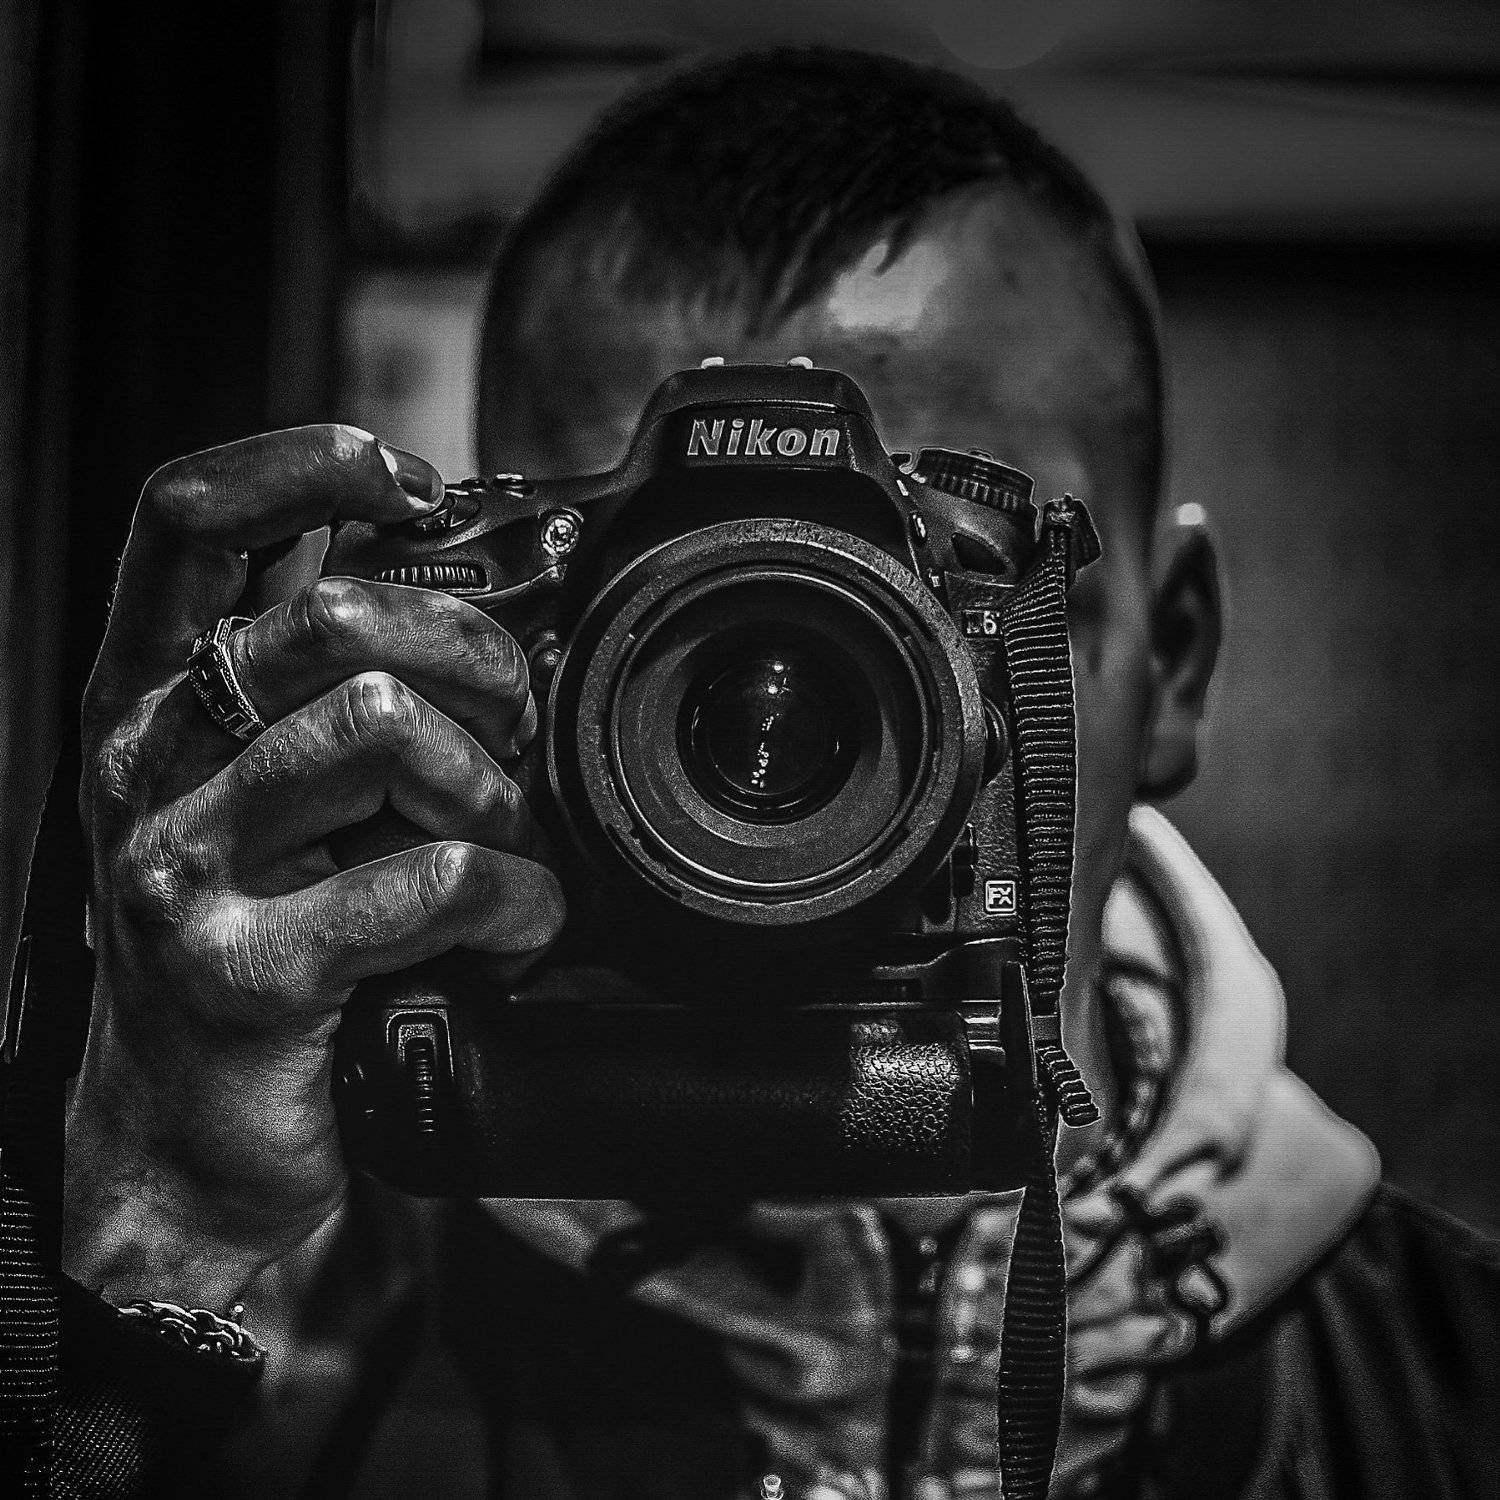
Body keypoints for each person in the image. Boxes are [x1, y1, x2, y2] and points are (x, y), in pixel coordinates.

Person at [51, 45, 1500, 1500]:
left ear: (1173, 659)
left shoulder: (1458, 1397)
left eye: (941, 600)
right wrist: (145, 1246)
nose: (788, 724)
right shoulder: (255, 1346)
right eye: (645, 605)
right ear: (481, 629)